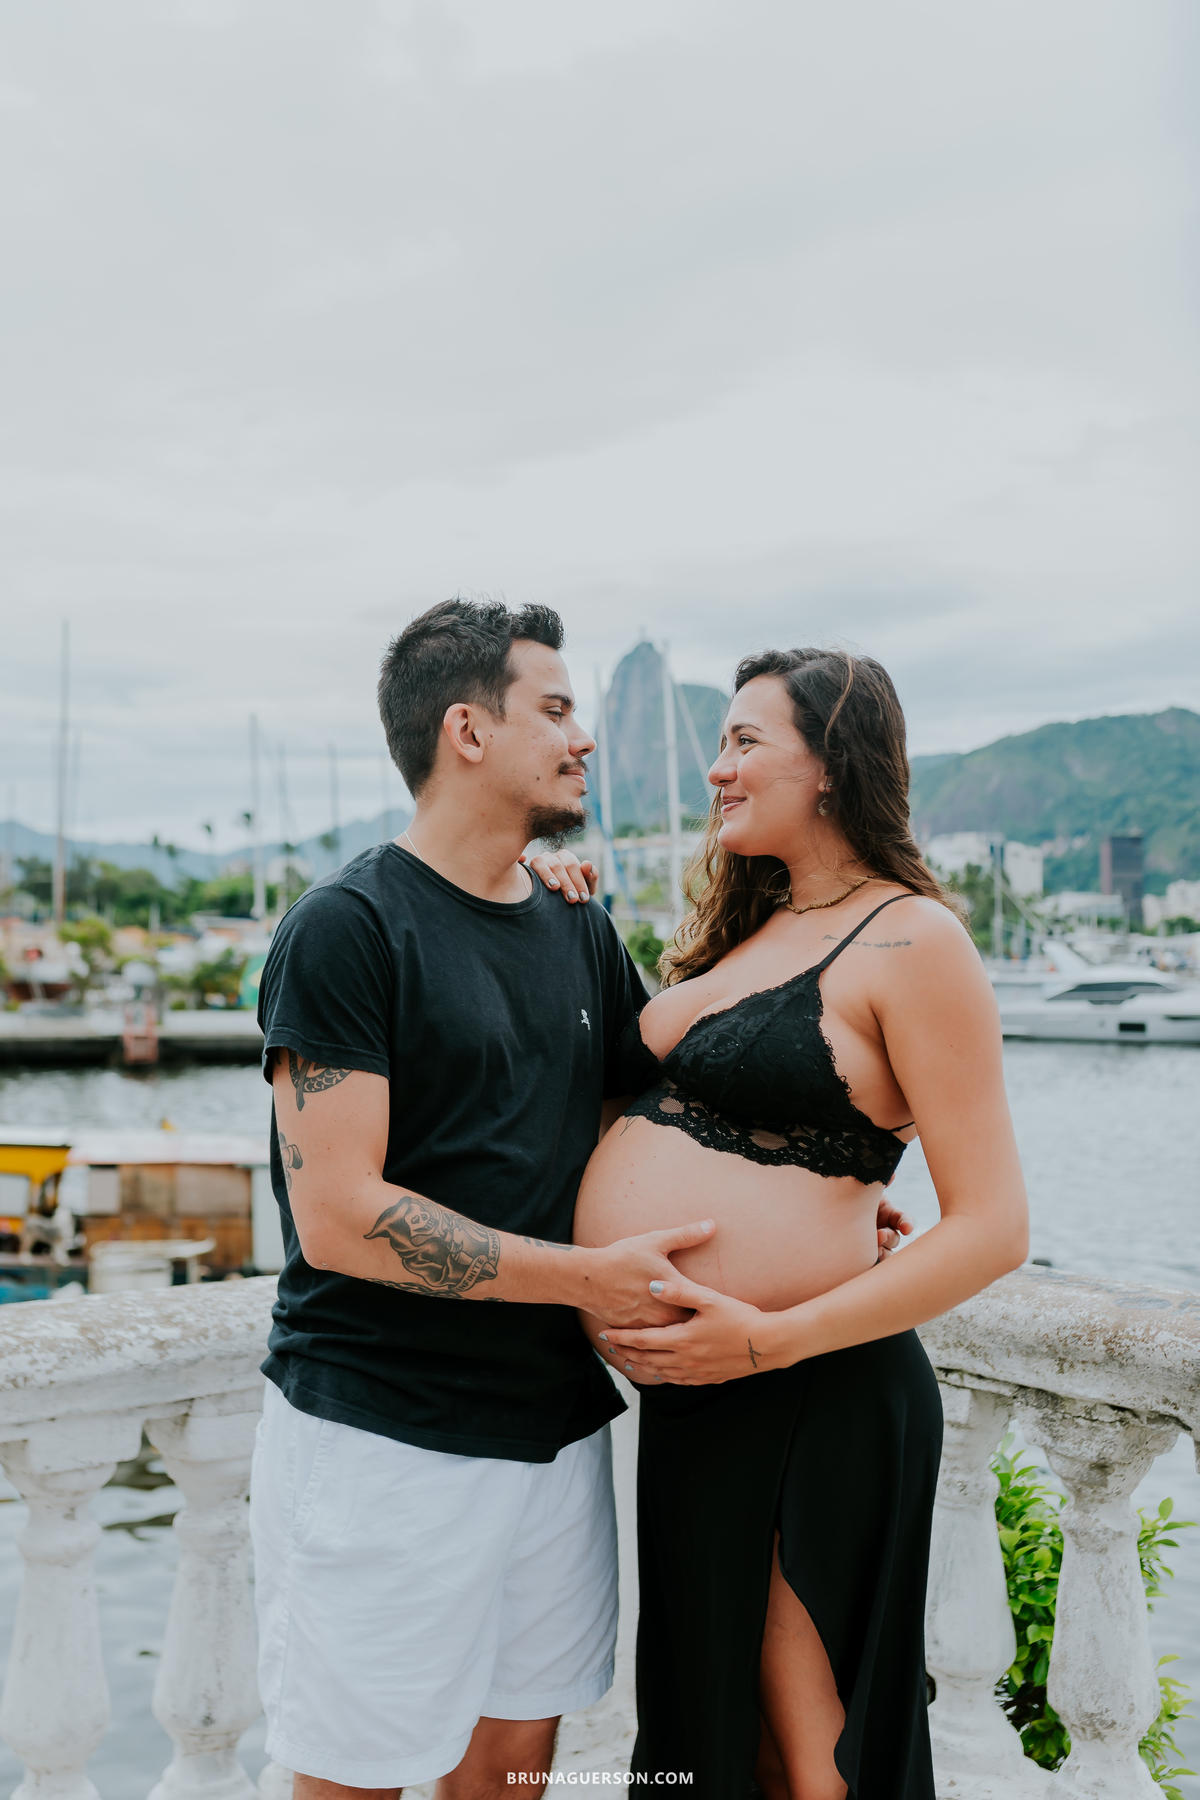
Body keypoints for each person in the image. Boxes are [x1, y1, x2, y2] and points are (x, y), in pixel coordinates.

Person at [250, 599, 912, 1799]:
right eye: (555, 711)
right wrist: (587, 1279)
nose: (584, 738)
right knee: (353, 1776)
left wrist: (819, 1206)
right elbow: (341, 1217)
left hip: (555, 1431)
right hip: (388, 1435)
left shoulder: (575, 926)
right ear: (468, 731)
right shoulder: (346, 930)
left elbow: (660, 1115)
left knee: (514, 1773)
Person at [572, 647, 1030, 1800]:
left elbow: (993, 1228)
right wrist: (555, 898)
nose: (716, 769)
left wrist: (765, 1338)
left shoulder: (915, 939)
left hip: (810, 1391)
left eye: (745, 742)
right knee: (720, 1741)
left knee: (810, 1760)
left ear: (830, 764)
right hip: (702, 1398)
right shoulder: (753, 925)